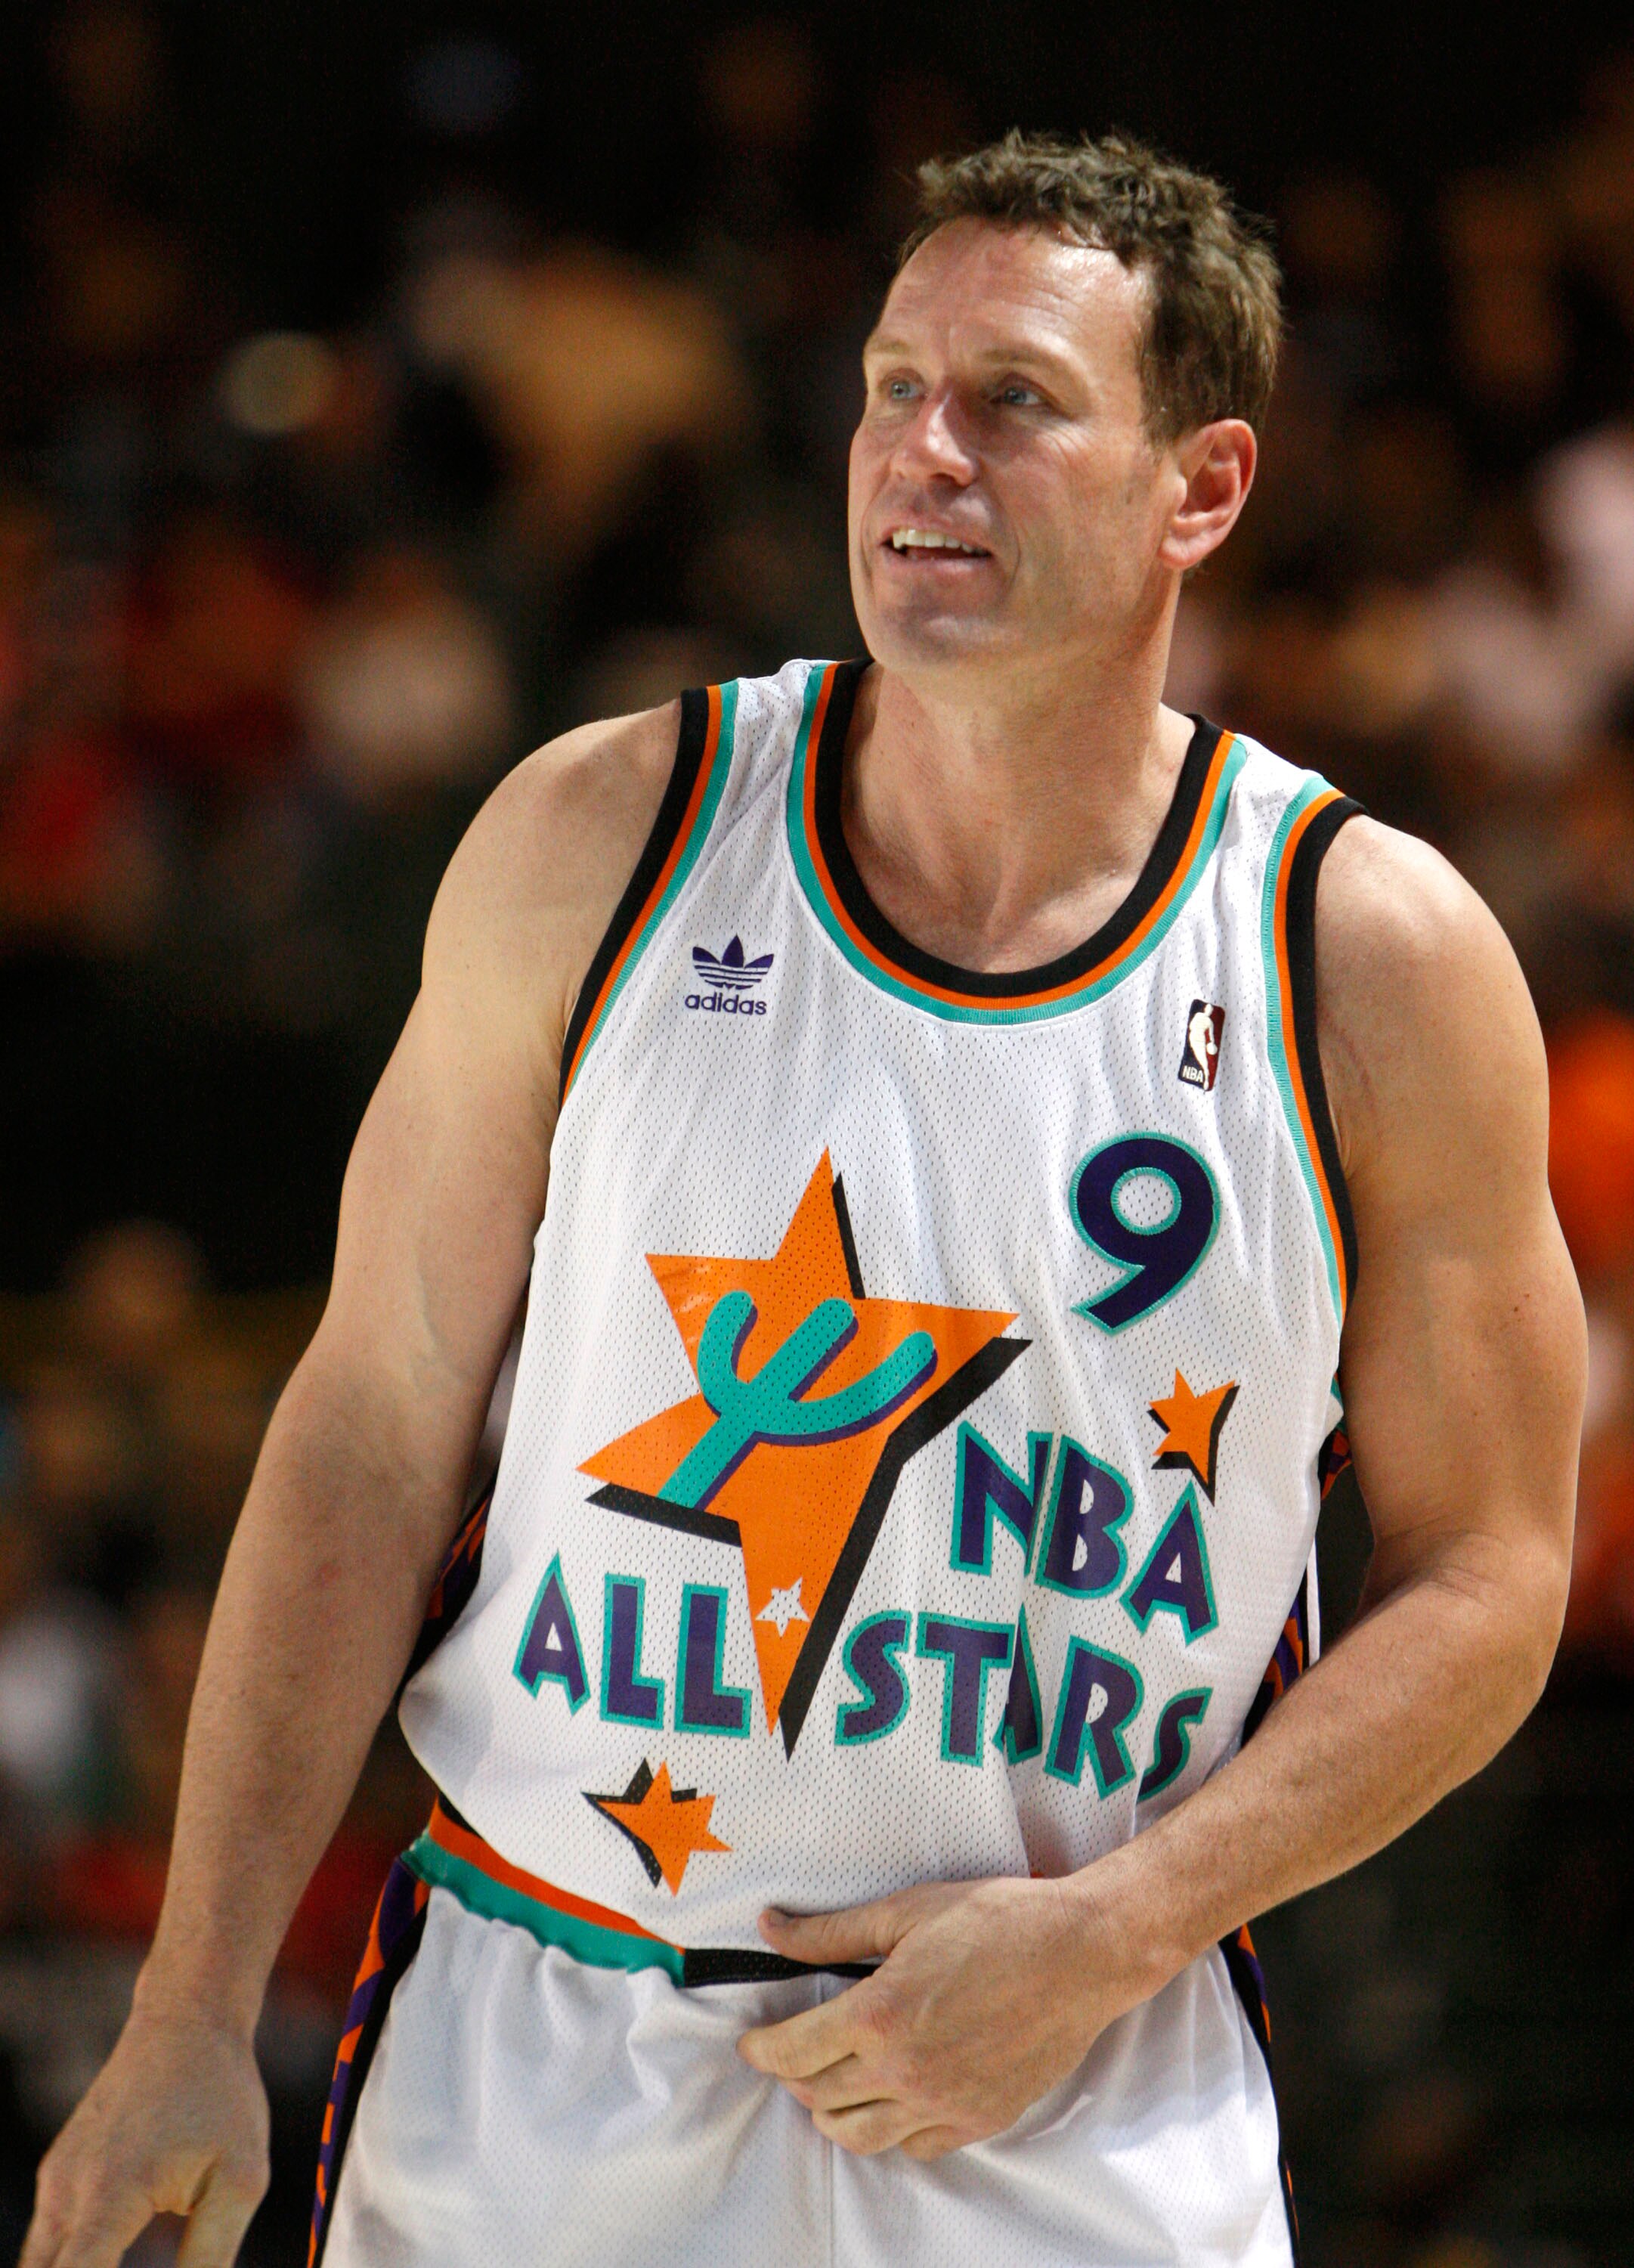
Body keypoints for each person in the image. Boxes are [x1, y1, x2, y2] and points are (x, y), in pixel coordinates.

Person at [25, 132, 1582, 2268]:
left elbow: (1493, 1572)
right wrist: (190, 2003)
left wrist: (1119, 1926)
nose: (919, 452)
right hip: (548, 2045)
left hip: (1070, 2071)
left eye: (1013, 401)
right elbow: (371, 1420)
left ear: (1197, 491)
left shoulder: (1363, 956)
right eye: (886, 386)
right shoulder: (605, 834)